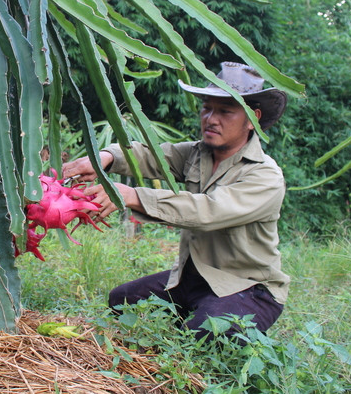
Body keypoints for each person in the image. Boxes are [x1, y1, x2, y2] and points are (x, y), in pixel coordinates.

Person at [62, 62, 289, 341]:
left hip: (248, 288)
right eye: (207, 108)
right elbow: (151, 155)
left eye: (225, 111)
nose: (211, 119)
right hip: (194, 277)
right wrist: (105, 159)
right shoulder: (198, 154)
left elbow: (207, 210)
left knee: (206, 333)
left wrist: (131, 195)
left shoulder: (265, 176)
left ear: (252, 118)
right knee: (121, 300)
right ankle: (192, 312)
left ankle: (206, 325)